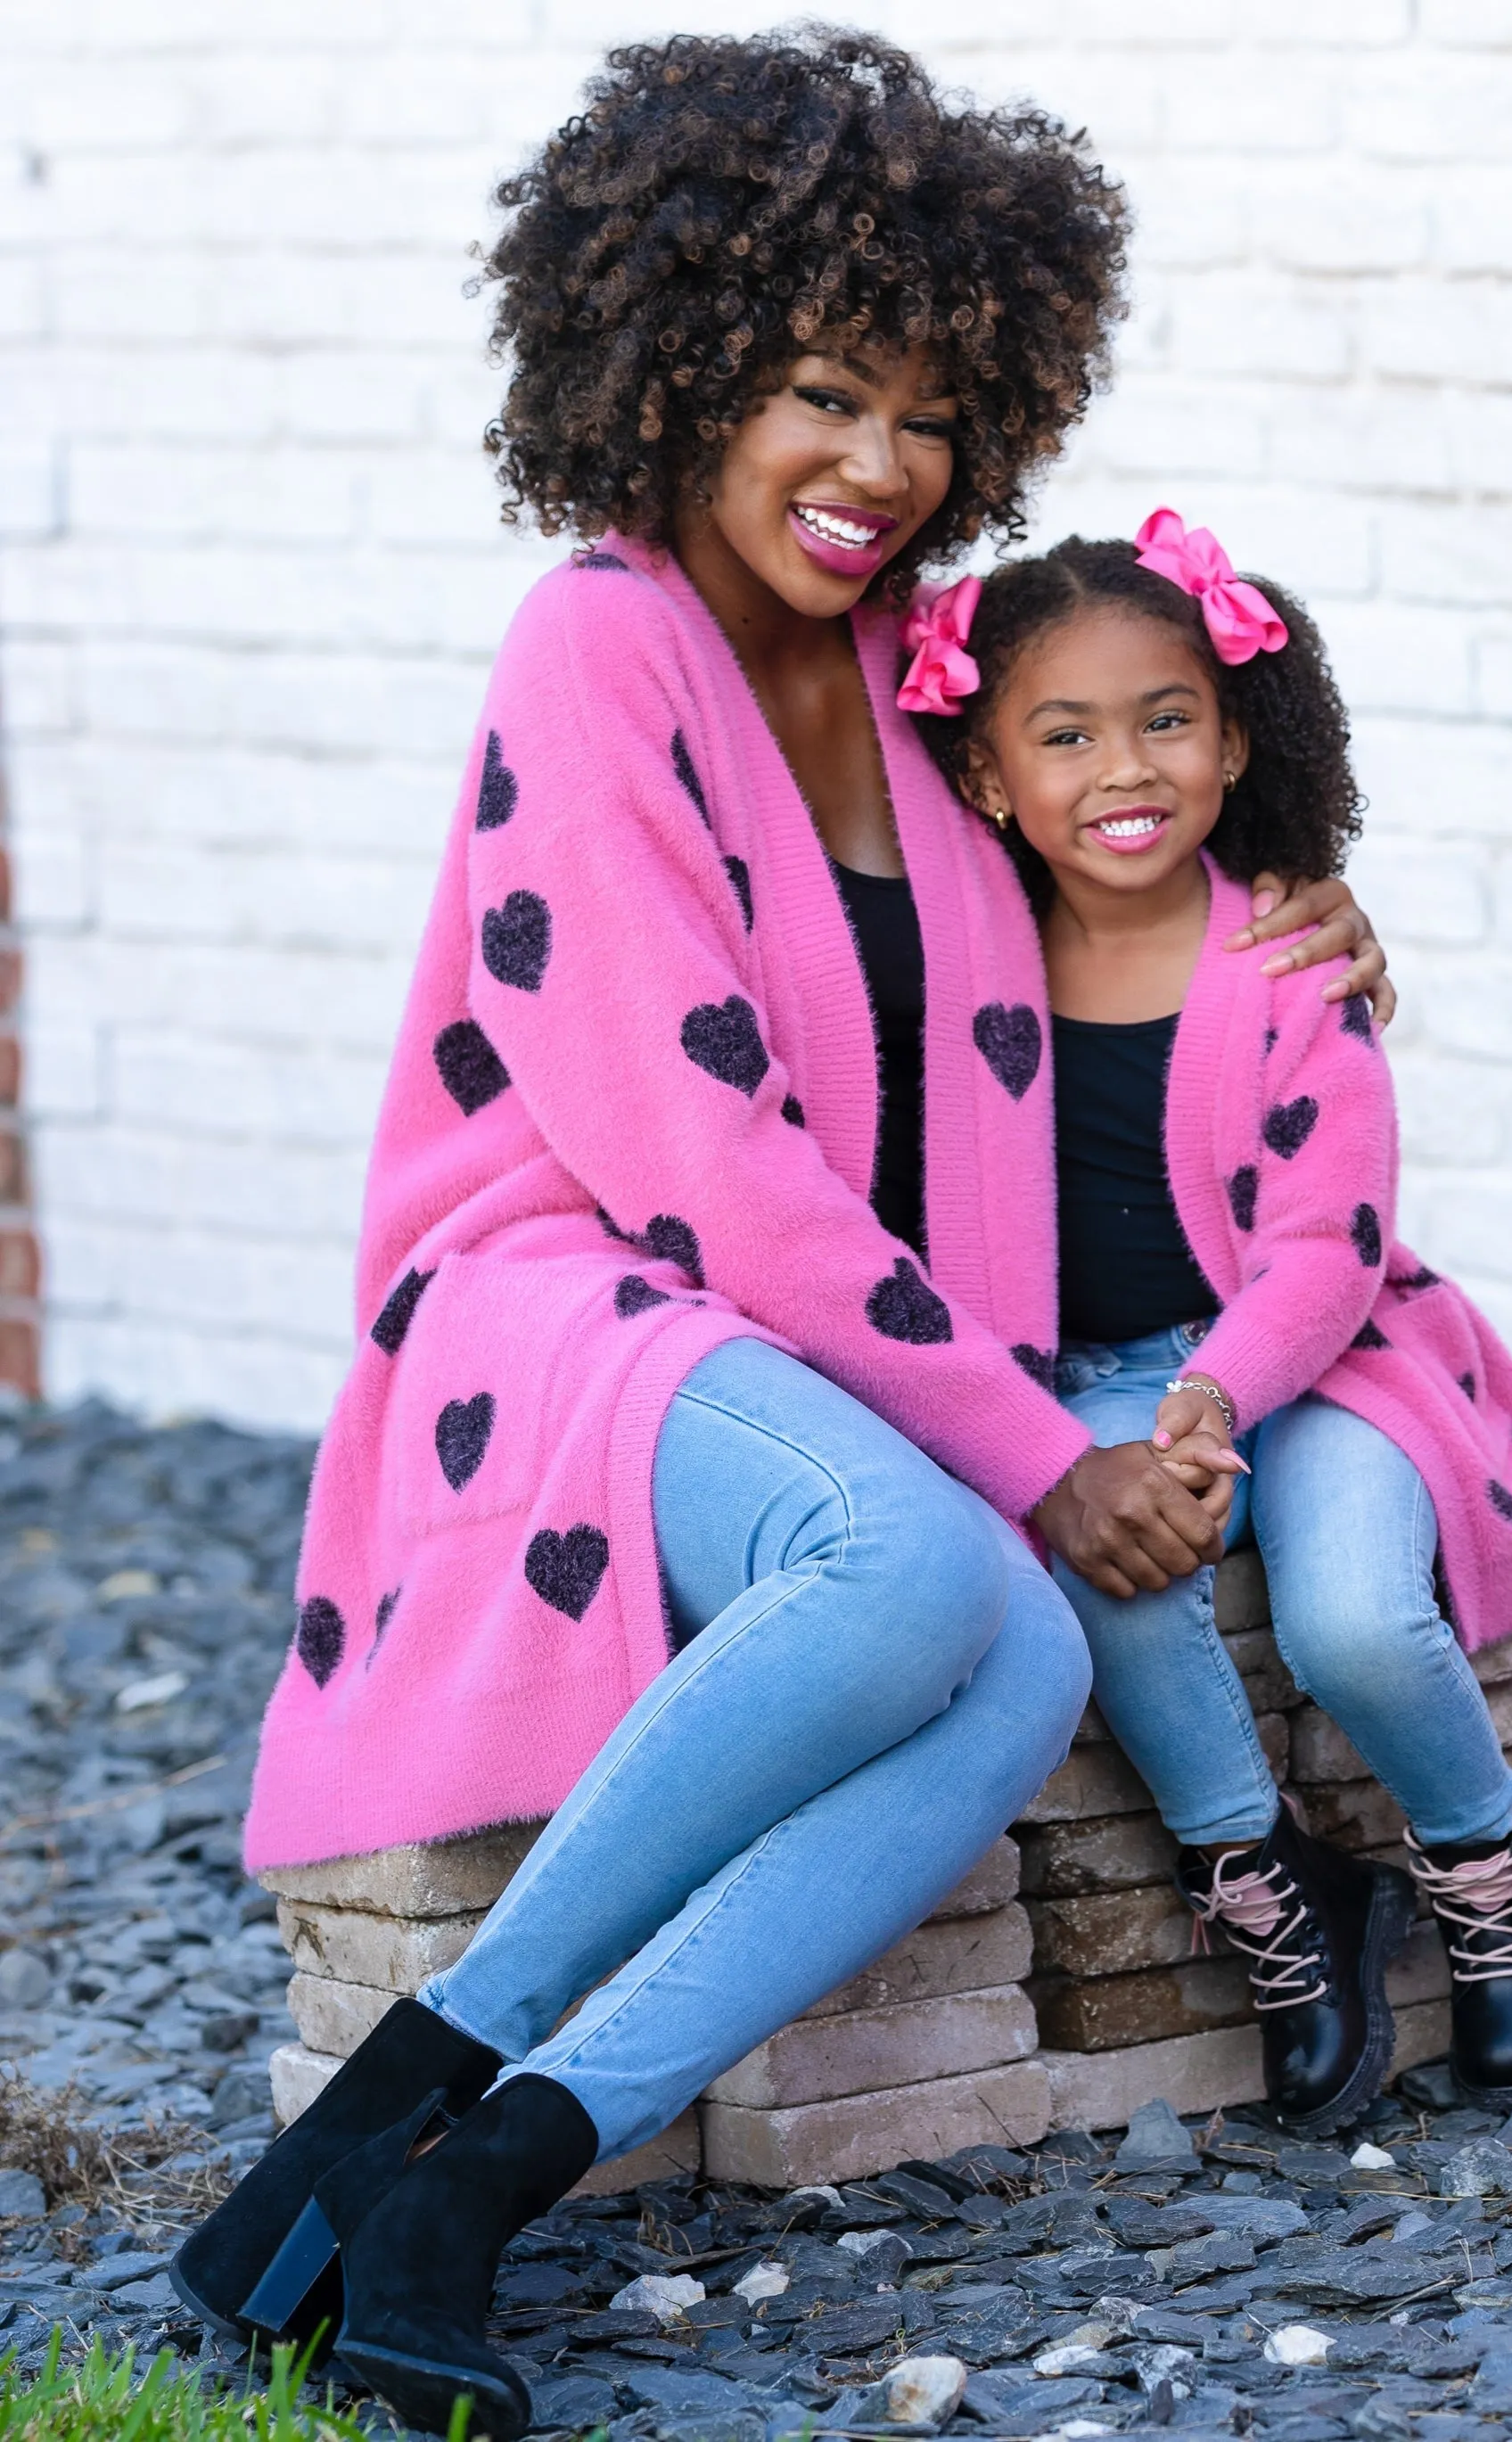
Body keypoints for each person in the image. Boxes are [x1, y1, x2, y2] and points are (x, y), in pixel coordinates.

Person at [172, 37, 1391, 2436]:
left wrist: (1287, 911)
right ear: (684, 363)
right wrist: (1037, 1453)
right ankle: (369, 2126)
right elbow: (707, 1157)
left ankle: (466, 2182)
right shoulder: (598, 647)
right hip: (557, 1283)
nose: (880, 468)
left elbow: (1093, 875)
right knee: (934, 1565)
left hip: (773, 1320)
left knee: (1025, 1658)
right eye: (826, 392)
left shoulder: (904, 669)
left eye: (934, 415)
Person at [907, 514, 1512, 2139]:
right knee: (1120, 1576)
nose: (1120, 765)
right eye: (1061, 733)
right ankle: (1282, 1893)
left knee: (1356, 1616)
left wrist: (1213, 1394)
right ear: (992, 776)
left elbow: (1325, 1246)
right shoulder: (960, 972)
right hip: (1086, 1389)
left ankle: (1494, 1876)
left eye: (1165, 717)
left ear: (1231, 737)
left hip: (1322, 1369)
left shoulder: (1290, 957)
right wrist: (1126, 1433)